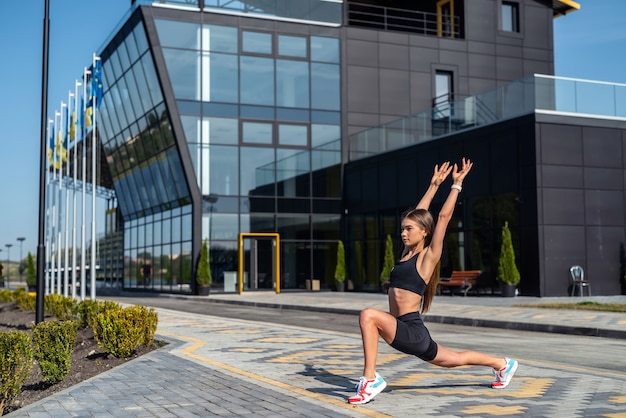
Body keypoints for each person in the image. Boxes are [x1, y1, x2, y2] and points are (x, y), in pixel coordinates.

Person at [348, 158, 518, 405]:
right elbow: (417, 215)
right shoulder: (406, 254)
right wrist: (433, 185)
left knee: (368, 315)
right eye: (402, 229)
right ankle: (503, 364)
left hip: (411, 331)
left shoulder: (428, 257)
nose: (404, 233)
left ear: (424, 232)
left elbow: (443, 217)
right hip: (403, 328)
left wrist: (456, 185)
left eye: (409, 229)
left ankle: (370, 379)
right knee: (455, 359)